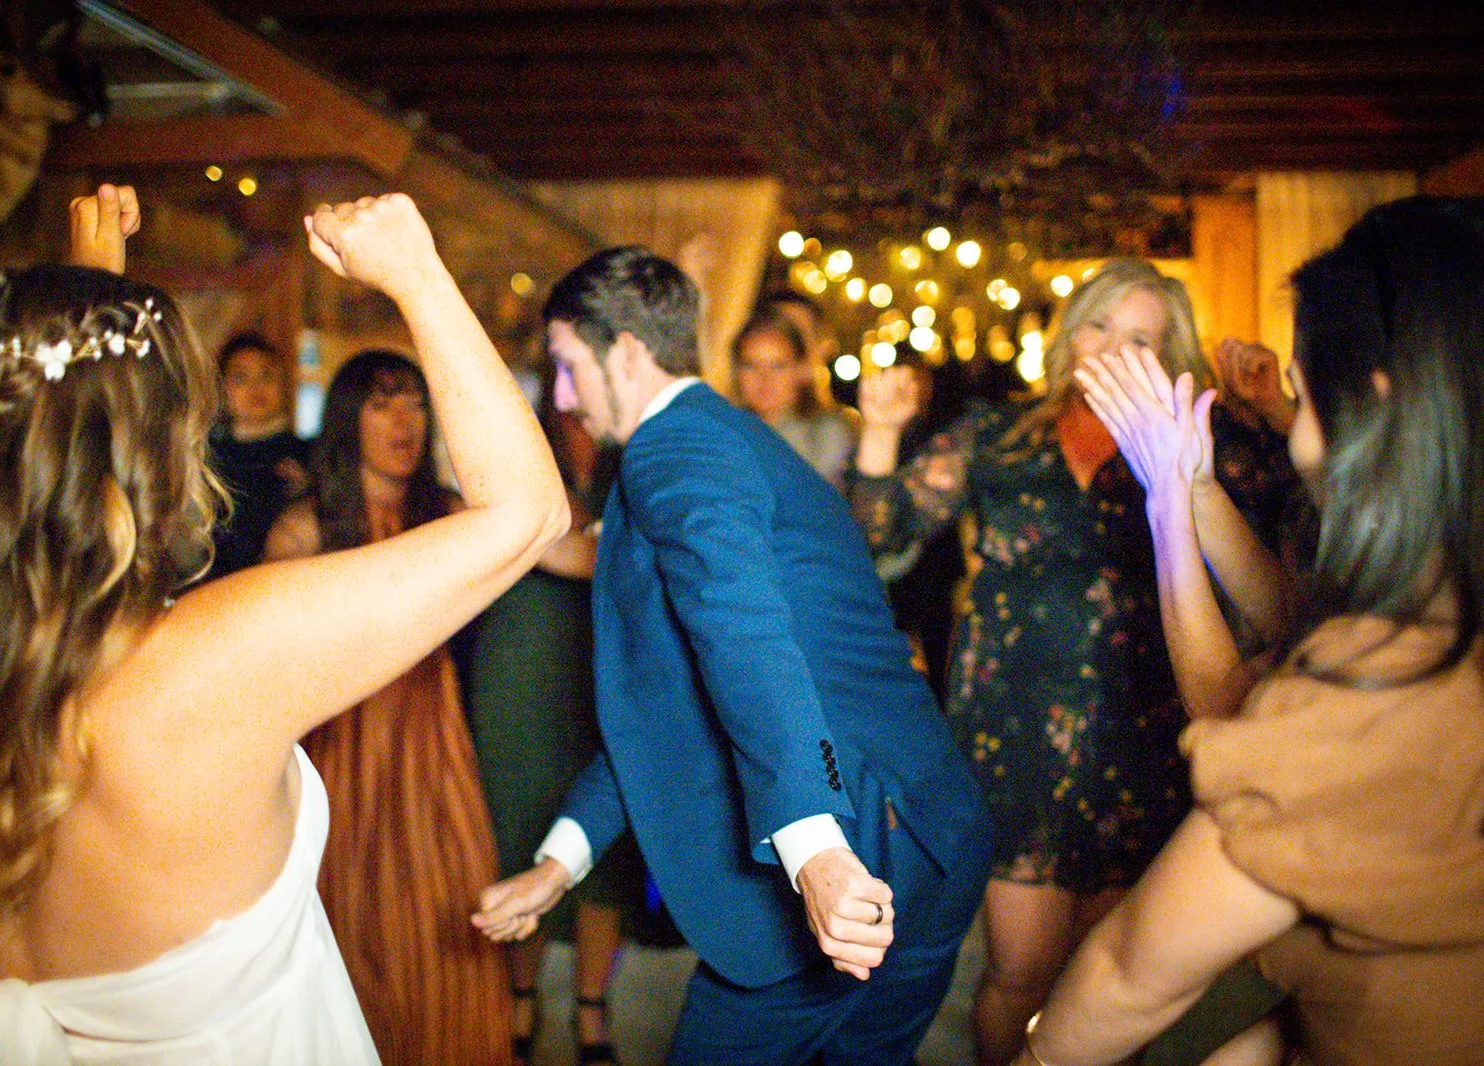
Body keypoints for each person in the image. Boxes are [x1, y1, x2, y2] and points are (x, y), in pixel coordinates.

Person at [0, 187, 567, 1064]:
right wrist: (416, 273)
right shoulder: (217, 660)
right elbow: (527, 513)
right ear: (155, 450)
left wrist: (90, 311)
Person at [472, 246, 992, 1066]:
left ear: (628, 352)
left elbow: (742, 632)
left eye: (569, 366)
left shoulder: (673, 450)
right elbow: (669, 703)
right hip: (928, 828)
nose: (563, 397)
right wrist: (560, 863)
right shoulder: (727, 436)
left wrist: (816, 851)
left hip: (857, 850)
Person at [1028, 196, 1484, 1065]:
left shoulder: (1402, 673)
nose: (1288, 414)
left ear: (1370, 403)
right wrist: (1195, 489)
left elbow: (1249, 710)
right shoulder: (1441, 577)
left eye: (1300, 393)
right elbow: (1296, 625)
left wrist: (1169, 504)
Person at [847, 258, 1296, 1066]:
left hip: (1146, 723)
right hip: (1011, 728)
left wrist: (1274, 411)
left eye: (1142, 339)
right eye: (1099, 326)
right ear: (1069, 333)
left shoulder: (1206, 440)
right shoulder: (999, 431)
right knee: (1020, 971)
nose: (1115, 349)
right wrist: (880, 432)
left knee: (1111, 977)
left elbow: (1301, 546)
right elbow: (881, 533)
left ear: (1172, 355)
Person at [264, 347, 515, 1065]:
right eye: (382, 404)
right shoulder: (304, 530)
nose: (405, 420)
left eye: (414, 402)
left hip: (437, 748)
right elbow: (271, 662)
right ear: (350, 420)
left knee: (453, 928)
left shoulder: (449, 516)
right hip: (340, 751)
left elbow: (553, 542)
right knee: (352, 931)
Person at [464, 372, 644, 1066]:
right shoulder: (515, 442)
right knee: (519, 828)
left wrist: (586, 546)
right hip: (524, 661)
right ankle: (520, 996)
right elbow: (528, 540)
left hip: (611, 657)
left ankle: (592, 1008)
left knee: (610, 849)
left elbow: (598, 551)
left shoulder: (642, 446)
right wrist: (600, 549)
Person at [206, 333, 309, 581]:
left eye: (267, 376)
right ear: (221, 388)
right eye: (241, 378)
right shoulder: (207, 457)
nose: (256, 388)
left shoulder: (306, 453)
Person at [730, 308, 856, 485]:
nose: (764, 379)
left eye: (778, 366)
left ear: (801, 369)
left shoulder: (825, 433)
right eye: (750, 365)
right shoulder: (727, 432)